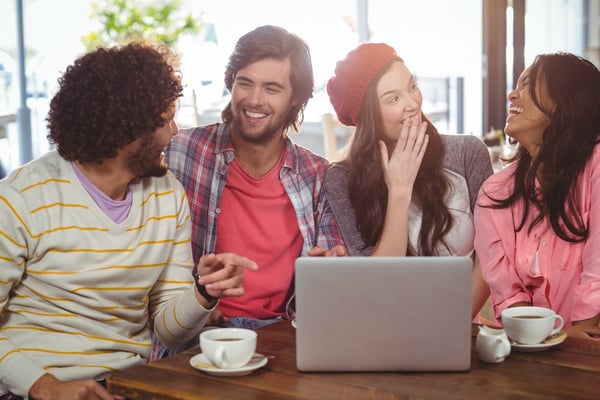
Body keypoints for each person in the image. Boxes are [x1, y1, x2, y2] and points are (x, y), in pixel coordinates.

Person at [0, 42, 257, 399]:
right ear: (131, 128)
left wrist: (203, 292)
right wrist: (47, 388)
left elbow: (168, 331)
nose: (175, 131)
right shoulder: (21, 198)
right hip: (33, 389)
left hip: (127, 387)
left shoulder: (167, 196)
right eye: (167, 118)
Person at [164, 25, 346, 334]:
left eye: (272, 89)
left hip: (283, 333)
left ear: (295, 98)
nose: (254, 100)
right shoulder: (181, 151)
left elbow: (330, 269)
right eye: (244, 83)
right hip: (197, 331)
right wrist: (193, 304)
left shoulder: (317, 176)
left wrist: (330, 267)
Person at [324, 43, 493, 319]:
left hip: (462, 322)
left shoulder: (468, 153)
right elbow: (375, 281)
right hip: (387, 323)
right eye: (393, 99)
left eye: (412, 86)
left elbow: (491, 256)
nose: (413, 104)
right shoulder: (341, 179)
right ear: (369, 117)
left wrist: (454, 325)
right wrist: (399, 191)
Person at [474, 52, 600, 339]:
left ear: (567, 99)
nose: (511, 94)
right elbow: (508, 294)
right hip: (530, 354)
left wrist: (577, 346)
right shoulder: (495, 193)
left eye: (528, 84)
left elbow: (598, 274)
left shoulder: (596, 164)